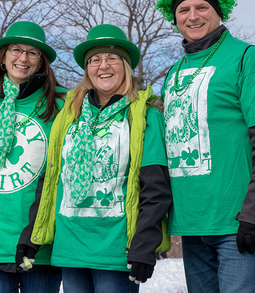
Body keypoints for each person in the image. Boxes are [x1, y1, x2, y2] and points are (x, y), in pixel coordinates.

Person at [155, 0, 255, 292]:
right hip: (192, 224)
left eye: (202, 7)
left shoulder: (249, 60)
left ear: (219, 11)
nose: (192, 16)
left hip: (239, 223)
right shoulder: (172, 74)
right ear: (174, 18)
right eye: (183, 9)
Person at [17, 24, 172, 293]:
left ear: (125, 65)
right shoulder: (69, 114)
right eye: (95, 60)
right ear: (87, 69)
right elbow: (52, 179)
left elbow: (155, 187)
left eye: (112, 57)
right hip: (70, 244)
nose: (103, 66)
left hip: (114, 249)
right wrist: (31, 235)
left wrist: (145, 245)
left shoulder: (145, 116)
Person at [0, 21, 65, 293]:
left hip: (39, 240)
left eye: (32, 53)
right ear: (4, 57)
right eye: (16, 50)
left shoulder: (61, 104)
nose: (23, 58)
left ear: (42, 62)